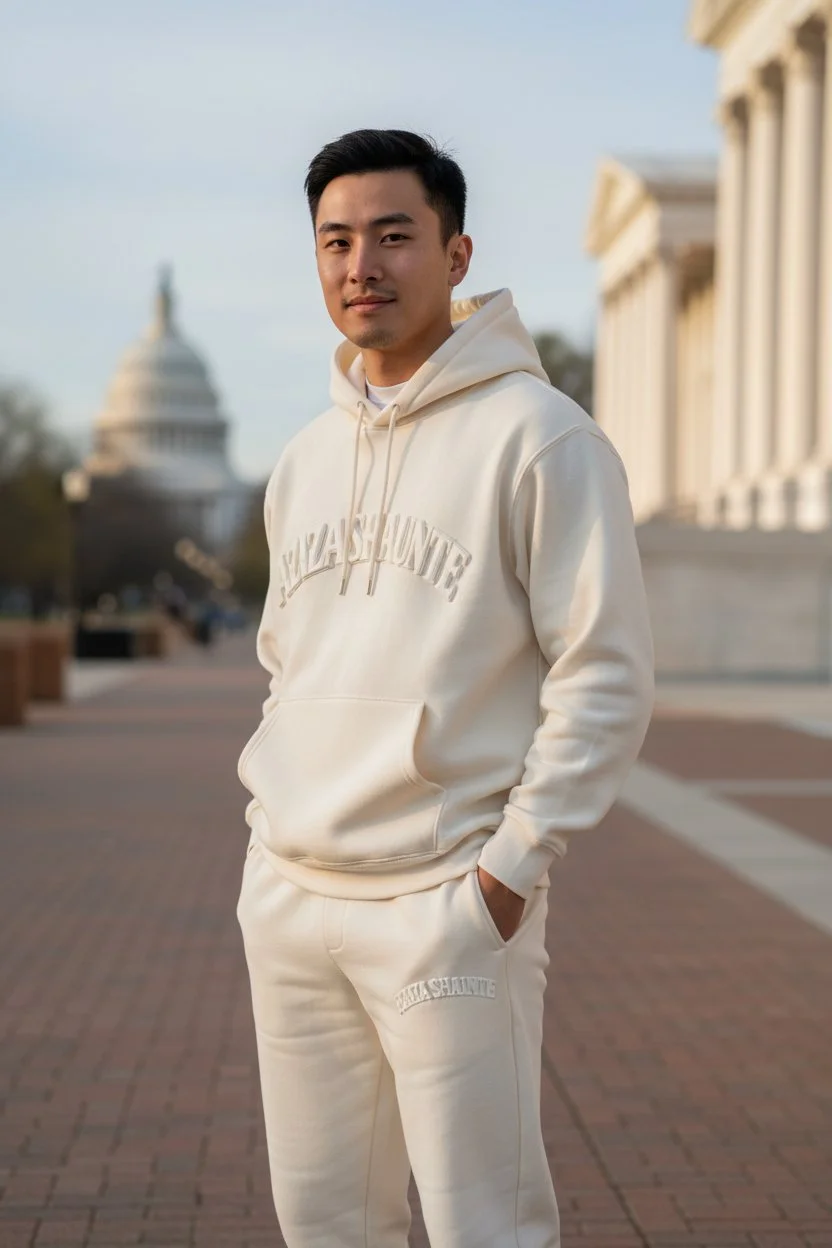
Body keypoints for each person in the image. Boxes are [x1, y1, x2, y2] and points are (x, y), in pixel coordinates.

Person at [237, 128, 654, 1248]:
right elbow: (289, 662)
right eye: (334, 241)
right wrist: (266, 842)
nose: (359, 265)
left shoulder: (543, 440)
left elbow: (604, 671)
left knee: (488, 1226)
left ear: (457, 253)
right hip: (291, 897)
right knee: (321, 1221)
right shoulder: (303, 461)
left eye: (392, 236)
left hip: (446, 903)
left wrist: (507, 876)